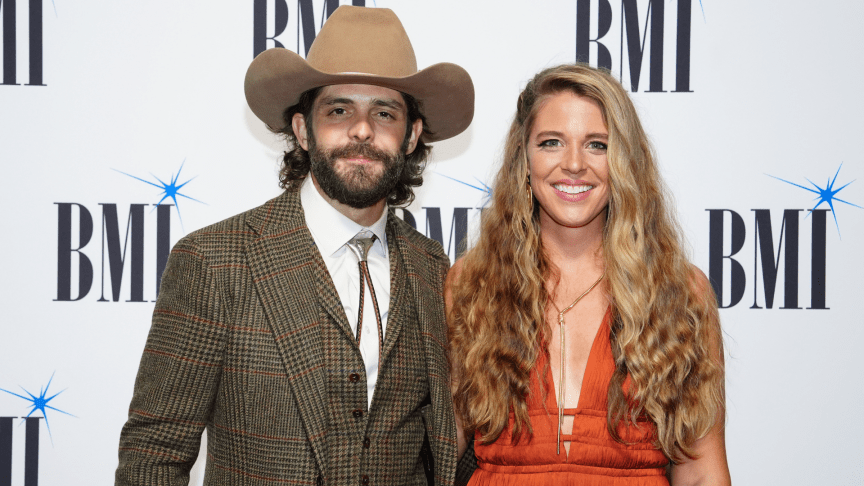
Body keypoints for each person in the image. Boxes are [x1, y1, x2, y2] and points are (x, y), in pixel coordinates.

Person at [115, 6, 474, 486]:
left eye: (384, 113)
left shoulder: (434, 268)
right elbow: (154, 454)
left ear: (410, 136)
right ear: (303, 130)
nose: (362, 130)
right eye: (339, 110)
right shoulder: (215, 262)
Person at [446, 64, 729, 485]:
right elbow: (439, 448)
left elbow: (702, 468)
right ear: (523, 159)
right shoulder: (471, 285)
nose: (574, 164)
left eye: (597, 145)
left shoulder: (681, 292)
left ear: (624, 162)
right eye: (551, 143)